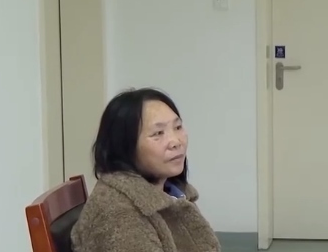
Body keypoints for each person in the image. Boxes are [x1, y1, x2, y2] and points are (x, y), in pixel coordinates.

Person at [71, 88, 220, 252]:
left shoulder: (170, 191)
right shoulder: (119, 217)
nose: (176, 142)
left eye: (178, 127)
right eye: (158, 133)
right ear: (124, 146)